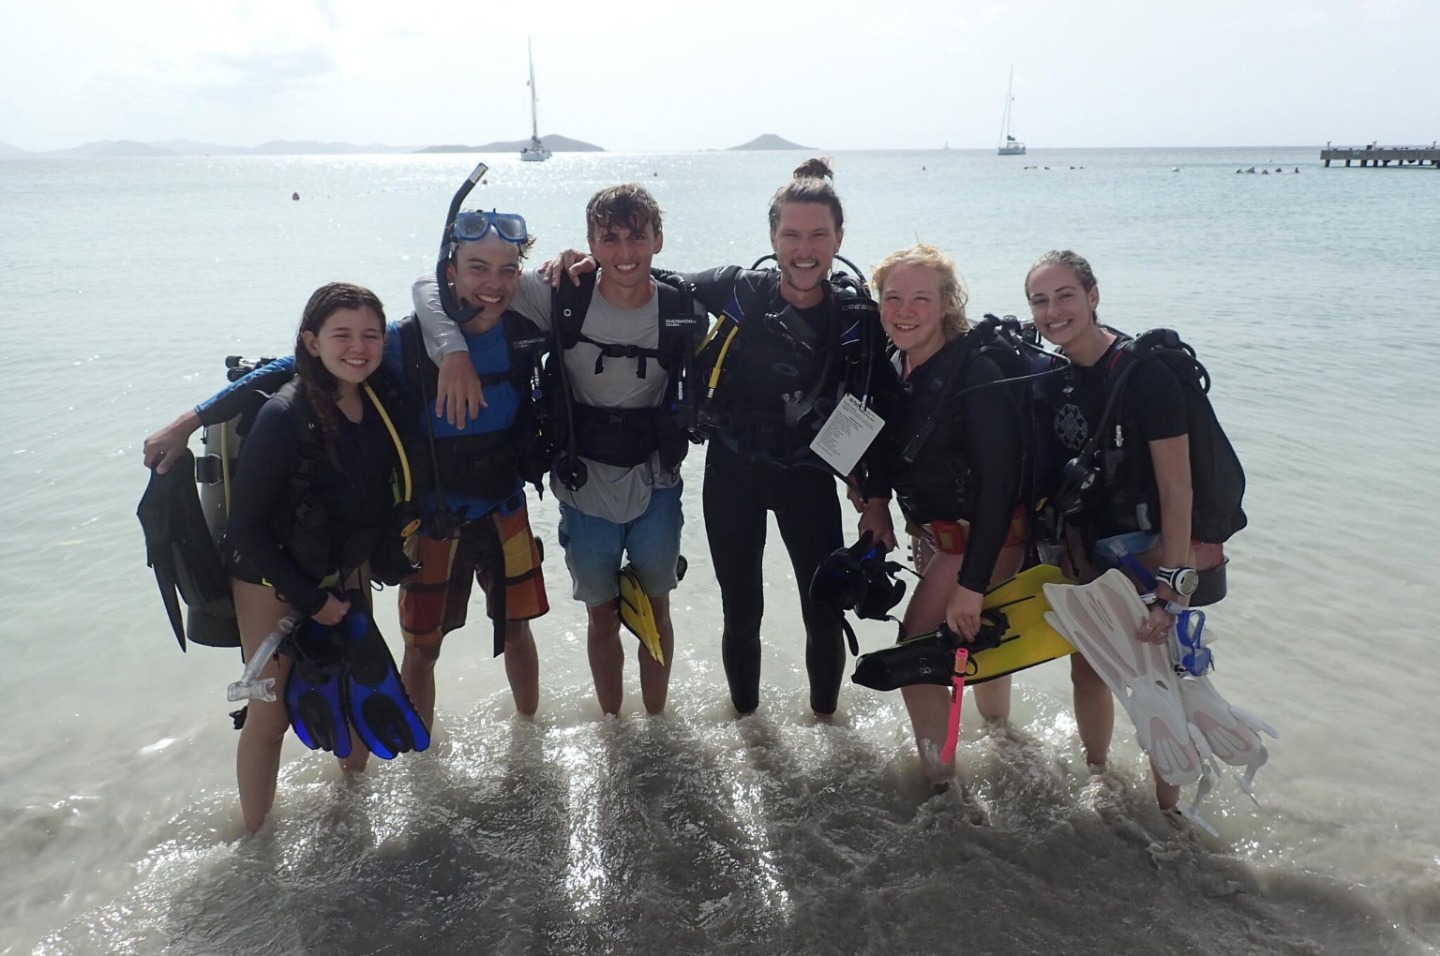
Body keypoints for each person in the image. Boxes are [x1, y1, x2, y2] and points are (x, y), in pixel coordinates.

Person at [142, 209, 551, 727]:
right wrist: (190, 420)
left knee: (517, 628)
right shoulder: (402, 343)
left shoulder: (525, 332)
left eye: (507, 270)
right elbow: (292, 367)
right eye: (477, 268)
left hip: (506, 506)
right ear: (450, 271)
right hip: (432, 518)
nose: (493, 284)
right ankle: (420, 762)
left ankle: (530, 737)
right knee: (423, 649)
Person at [415, 184, 704, 716]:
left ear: (658, 240)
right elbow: (432, 287)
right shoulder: (561, 295)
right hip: (582, 482)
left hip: (655, 481)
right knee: (601, 616)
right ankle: (613, 727)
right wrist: (453, 352)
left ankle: (657, 727)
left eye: (636, 238)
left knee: (657, 610)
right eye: (609, 239)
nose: (624, 253)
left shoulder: (681, 304)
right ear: (590, 243)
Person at [662, 158, 890, 719]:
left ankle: (827, 730)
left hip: (808, 480)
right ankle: (749, 734)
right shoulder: (740, 289)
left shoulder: (858, 318)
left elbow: (891, 400)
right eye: (791, 234)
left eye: (818, 235)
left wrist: (877, 493)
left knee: (824, 614)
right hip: (732, 475)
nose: (803, 250)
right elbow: (647, 279)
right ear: (772, 237)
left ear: (839, 238)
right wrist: (578, 264)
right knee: (742, 614)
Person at [1025, 249, 1211, 815]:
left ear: (1093, 296)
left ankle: (1169, 811)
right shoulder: (1052, 375)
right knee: (1088, 670)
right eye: (1039, 300)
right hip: (1084, 549)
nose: (1053, 311)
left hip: (1148, 550)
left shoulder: (1144, 375)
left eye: (1065, 296)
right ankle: (1099, 776)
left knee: (1158, 681)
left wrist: (1173, 582)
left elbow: (1178, 488)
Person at [227, 282, 402, 832]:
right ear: (311, 342)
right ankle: (257, 842)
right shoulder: (284, 415)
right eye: (341, 335)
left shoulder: (379, 403)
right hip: (271, 579)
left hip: (347, 570)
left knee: (356, 689)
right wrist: (310, 600)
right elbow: (244, 529)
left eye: (370, 335)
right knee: (271, 714)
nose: (358, 347)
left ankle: (352, 817)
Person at [867, 245, 1026, 785]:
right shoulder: (898, 365)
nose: (904, 311)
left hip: (984, 540)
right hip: (938, 538)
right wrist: (876, 503)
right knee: (980, 645)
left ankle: (941, 788)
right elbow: (884, 448)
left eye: (920, 299)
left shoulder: (976, 373)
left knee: (916, 658)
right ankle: (1004, 741)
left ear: (946, 304)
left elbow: (1000, 487)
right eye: (893, 298)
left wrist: (972, 586)